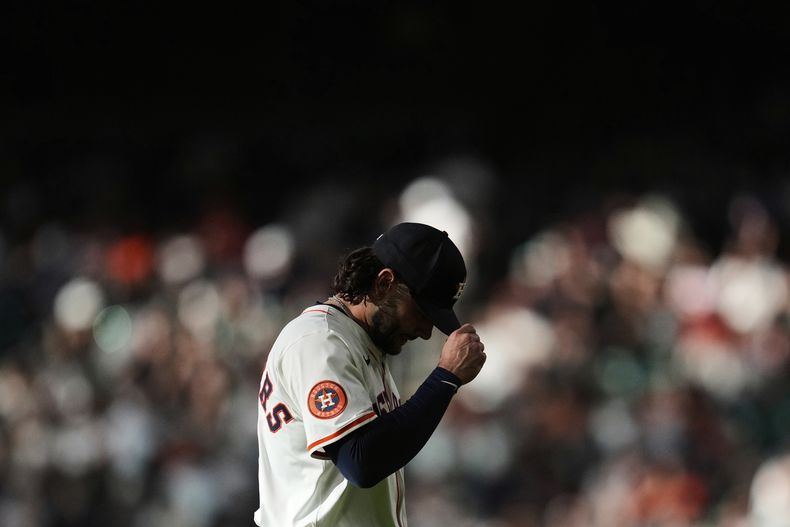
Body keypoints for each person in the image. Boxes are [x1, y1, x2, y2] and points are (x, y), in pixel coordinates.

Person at [254, 222, 487, 526]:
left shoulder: (357, 344)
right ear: (384, 283)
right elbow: (360, 461)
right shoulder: (320, 340)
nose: (426, 331)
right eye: (421, 312)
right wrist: (445, 378)